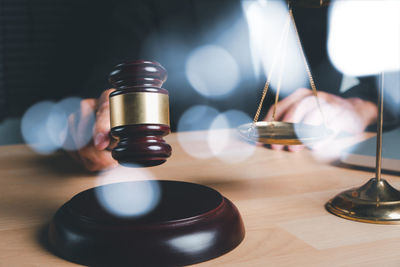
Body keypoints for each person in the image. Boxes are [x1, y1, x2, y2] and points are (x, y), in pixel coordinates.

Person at [0, 0, 379, 171]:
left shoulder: (320, 8)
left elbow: (384, 85)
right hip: (190, 186)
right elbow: (116, 78)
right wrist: (103, 113)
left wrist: (358, 108)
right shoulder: (158, 7)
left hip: (310, 186)